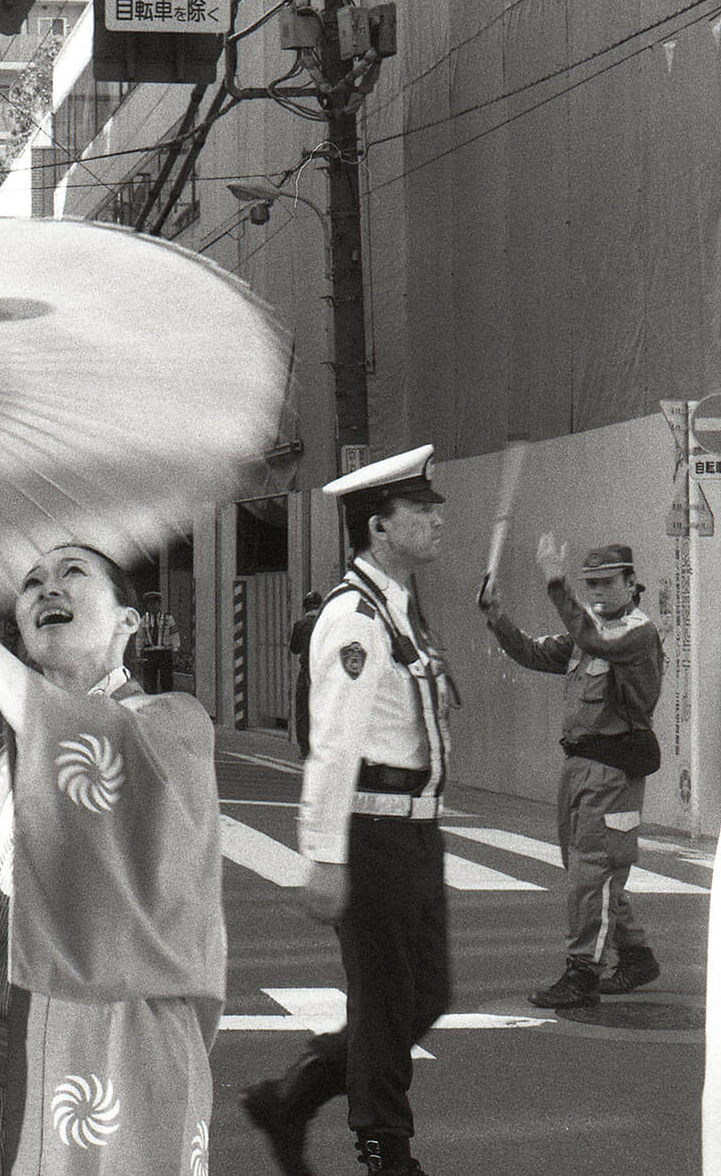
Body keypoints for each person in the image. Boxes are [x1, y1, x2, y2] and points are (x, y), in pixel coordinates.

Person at [0, 543, 224, 1175]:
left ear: (128, 621)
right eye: (31, 582)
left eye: (73, 574)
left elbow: (82, 743)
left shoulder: (172, 725)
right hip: (1, 1064)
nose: (46, 589)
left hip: (119, 1054)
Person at [242, 446, 454, 1176]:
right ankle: (385, 1152)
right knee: (390, 1001)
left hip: (416, 830)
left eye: (434, 508)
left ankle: (291, 1098)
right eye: (418, 511)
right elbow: (332, 745)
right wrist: (324, 855)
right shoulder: (356, 617)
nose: (435, 520)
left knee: (425, 993)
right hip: (373, 833)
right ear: (378, 528)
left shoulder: (400, 606)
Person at [480, 539, 665, 1008]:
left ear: (630, 583)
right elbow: (530, 652)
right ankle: (637, 954)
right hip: (581, 764)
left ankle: (583, 972)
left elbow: (593, 641)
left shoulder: (635, 634)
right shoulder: (589, 631)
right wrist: (497, 617)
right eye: (591, 585)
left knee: (593, 870)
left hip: (613, 767)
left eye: (607, 583)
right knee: (586, 869)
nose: (598, 592)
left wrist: (556, 583)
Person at [289, 591, 326, 756]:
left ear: (306, 607)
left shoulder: (301, 625)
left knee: (303, 710)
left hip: (307, 672)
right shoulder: (327, 623)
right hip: (326, 673)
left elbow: (294, 648)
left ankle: (306, 749)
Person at [138, 591, 180, 694]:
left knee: (166, 681)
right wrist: (139, 653)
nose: (151, 606)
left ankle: (167, 703)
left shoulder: (168, 618)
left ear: (159, 604)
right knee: (150, 682)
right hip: (150, 652)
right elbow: (140, 637)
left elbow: (174, 634)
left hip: (164, 652)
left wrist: (175, 649)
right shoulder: (144, 620)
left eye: (154, 603)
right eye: (149, 604)